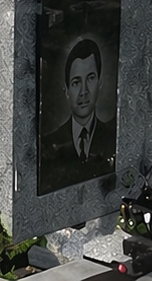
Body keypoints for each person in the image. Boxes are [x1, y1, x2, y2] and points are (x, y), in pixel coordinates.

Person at [38, 38, 115, 192]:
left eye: (90, 78)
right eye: (76, 82)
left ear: (100, 82)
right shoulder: (49, 144)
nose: (83, 91)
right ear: (66, 90)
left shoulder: (112, 139)